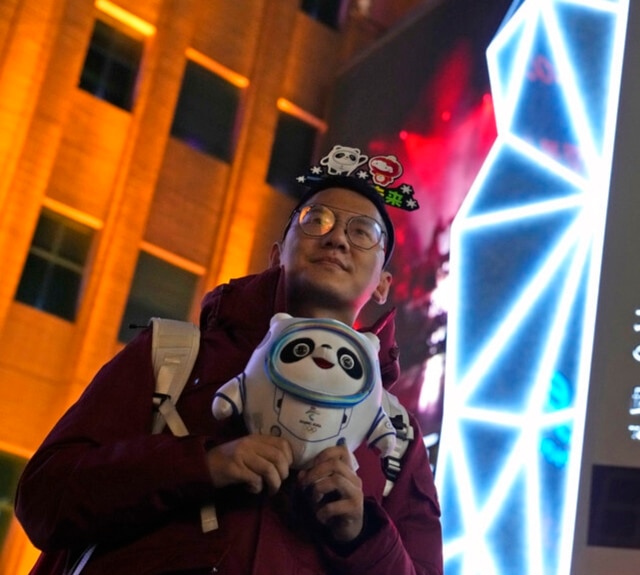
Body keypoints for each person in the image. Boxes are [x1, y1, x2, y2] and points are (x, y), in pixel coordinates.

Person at [14, 145, 442, 574]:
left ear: (384, 285)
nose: (336, 238)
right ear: (277, 255)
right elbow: (44, 497)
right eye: (316, 220)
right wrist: (202, 465)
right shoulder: (176, 357)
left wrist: (365, 533)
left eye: (363, 231)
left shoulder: (397, 441)